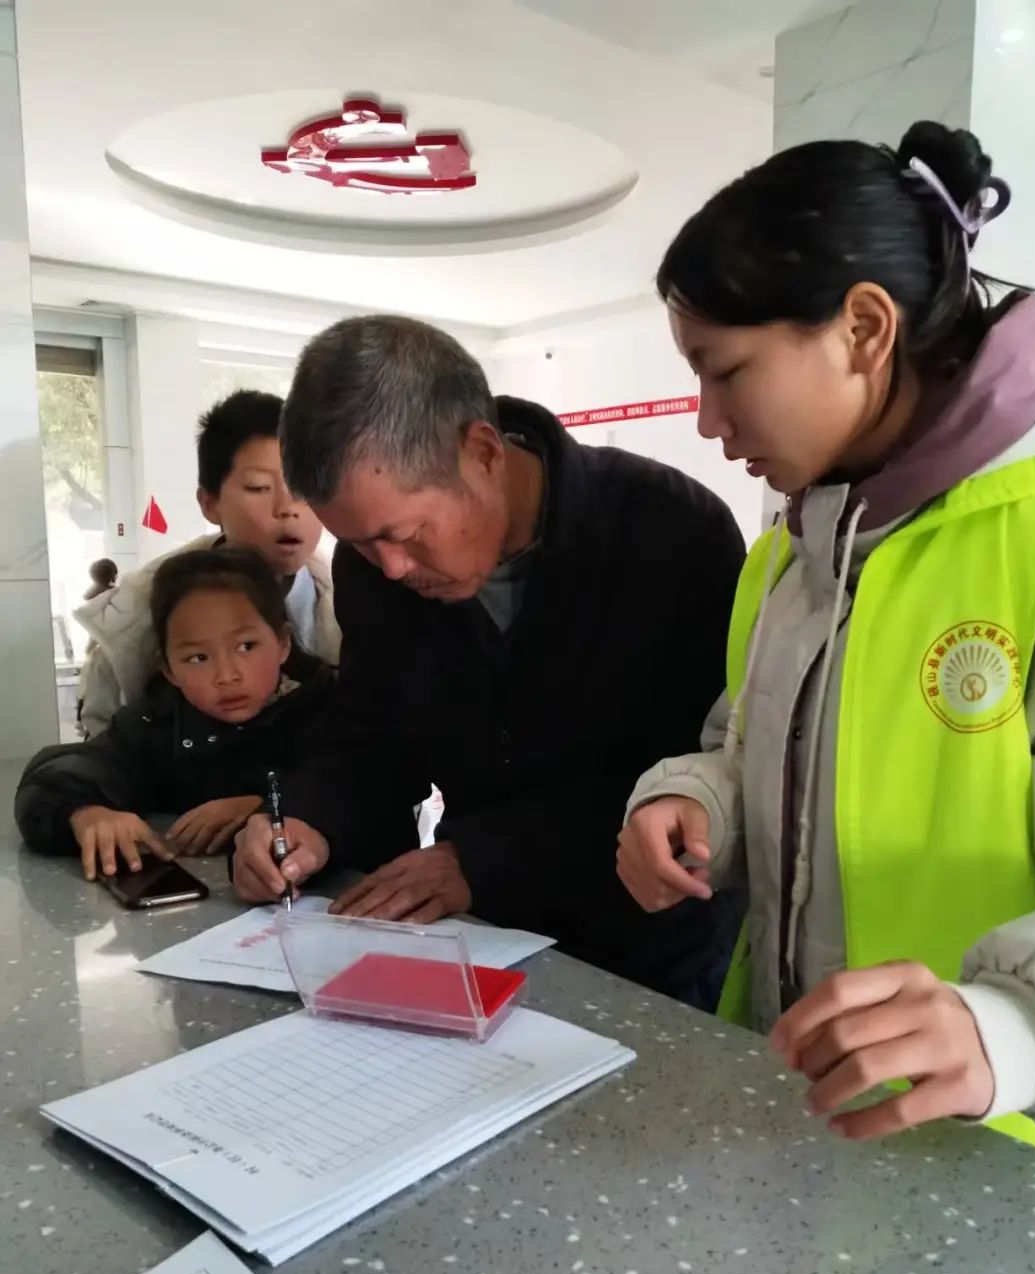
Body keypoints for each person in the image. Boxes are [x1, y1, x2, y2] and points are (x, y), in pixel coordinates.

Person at [618, 119, 1035, 1159]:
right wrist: (695, 803)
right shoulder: (790, 560)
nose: (707, 421)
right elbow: (755, 749)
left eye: (726, 371)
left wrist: (1021, 1028)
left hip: (1006, 1158)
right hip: (802, 1108)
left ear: (864, 329)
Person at [233, 314, 747, 1001]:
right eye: (358, 544)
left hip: (655, 950)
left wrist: (483, 859)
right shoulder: (374, 572)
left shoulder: (671, 530)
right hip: (482, 939)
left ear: (482, 452)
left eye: (406, 533)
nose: (390, 569)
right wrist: (308, 820)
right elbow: (372, 737)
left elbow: (697, 776)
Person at [17, 547, 334, 878]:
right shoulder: (155, 725)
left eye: (246, 647)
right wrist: (86, 814)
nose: (227, 676)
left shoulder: (329, 711)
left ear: (283, 644)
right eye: (198, 658)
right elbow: (56, 776)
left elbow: (353, 792)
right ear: (169, 669)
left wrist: (267, 806)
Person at [75, 390, 340, 737]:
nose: (287, 508)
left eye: (303, 488)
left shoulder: (357, 606)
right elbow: (100, 745)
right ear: (210, 504)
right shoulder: (139, 617)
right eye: (259, 487)